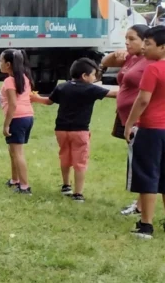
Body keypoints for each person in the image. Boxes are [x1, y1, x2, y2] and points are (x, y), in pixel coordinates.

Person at [31, 58, 117, 202]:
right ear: (84, 76)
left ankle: (66, 185)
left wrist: (35, 98)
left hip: (61, 130)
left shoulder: (62, 87)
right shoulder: (91, 89)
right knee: (80, 161)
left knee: (65, 156)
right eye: (94, 75)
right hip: (80, 131)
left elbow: (48, 101)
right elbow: (114, 94)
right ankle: (78, 193)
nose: (95, 78)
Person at [101, 24, 153, 216]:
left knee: (144, 163)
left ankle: (142, 207)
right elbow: (105, 62)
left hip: (141, 120)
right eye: (126, 38)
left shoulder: (150, 62)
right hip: (126, 118)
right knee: (137, 160)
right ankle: (141, 204)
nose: (127, 42)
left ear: (145, 42)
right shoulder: (131, 58)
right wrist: (116, 55)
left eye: (132, 39)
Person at [123, 26, 165, 239]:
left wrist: (129, 123)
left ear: (162, 47)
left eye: (149, 44)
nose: (145, 48)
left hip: (151, 129)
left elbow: (143, 100)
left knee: (148, 176)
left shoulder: (153, 68)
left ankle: (146, 225)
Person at [0, 49, 35, 195]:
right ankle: (15, 180)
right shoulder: (25, 78)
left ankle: (25, 186)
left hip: (17, 119)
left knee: (18, 152)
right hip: (28, 117)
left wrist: (6, 124)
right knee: (13, 150)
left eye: (0, 61)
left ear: (8, 64)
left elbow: (13, 104)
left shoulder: (9, 81)